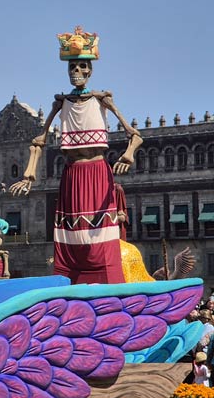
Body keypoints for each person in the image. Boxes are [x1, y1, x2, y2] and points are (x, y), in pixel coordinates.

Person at [10, 27, 142, 284]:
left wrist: (128, 154)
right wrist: (29, 175)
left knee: (100, 234)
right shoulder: (61, 103)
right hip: (71, 173)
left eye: (81, 67)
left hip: (97, 171)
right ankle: (71, 284)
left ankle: (107, 286)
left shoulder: (102, 100)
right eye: (72, 68)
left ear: (90, 71)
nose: (76, 73)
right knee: (72, 233)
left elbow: (135, 135)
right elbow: (39, 142)